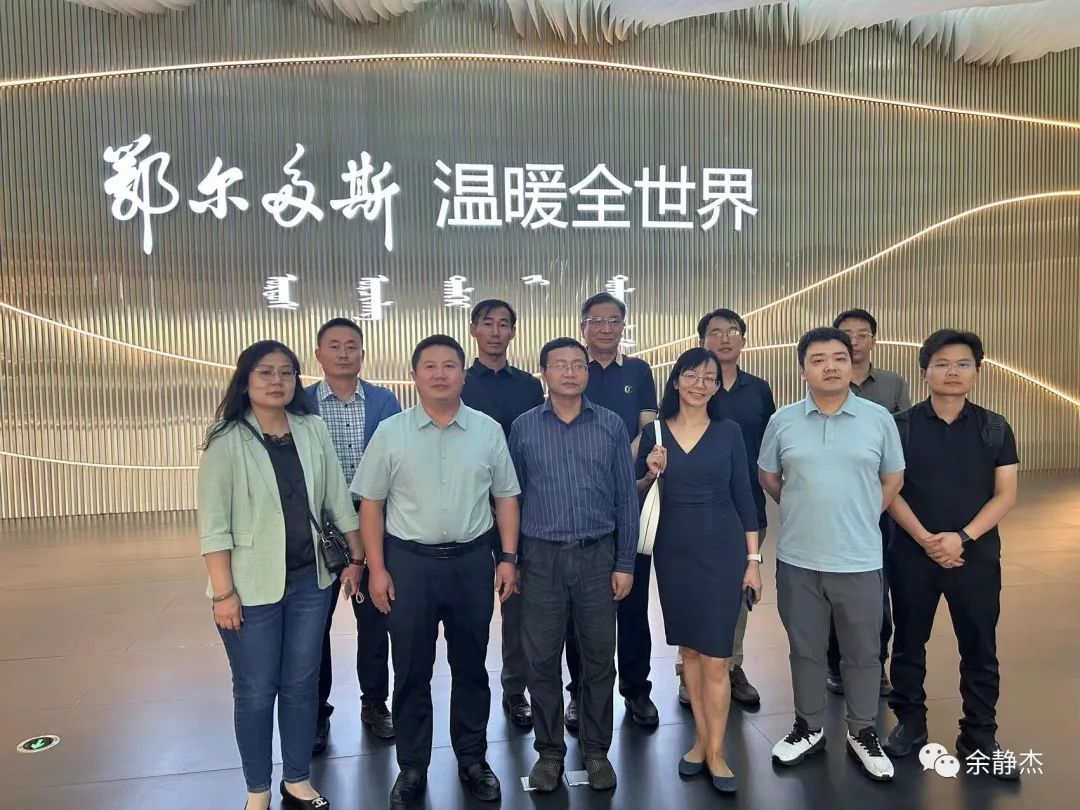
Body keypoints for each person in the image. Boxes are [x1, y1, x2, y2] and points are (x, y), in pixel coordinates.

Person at [352, 335, 521, 810]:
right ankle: (412, 766)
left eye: (450, 365)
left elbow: (507, 497)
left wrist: (508, 558)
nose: (440, 374)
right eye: (430, 366)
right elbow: (371, 504)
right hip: (409, 565)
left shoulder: (487, 430)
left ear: (463, 375)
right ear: (414, 376)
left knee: (471, 667)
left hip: (471, 562)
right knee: (410, 669)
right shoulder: (391, 432)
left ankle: (472, 758)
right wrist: (376, 569)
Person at [198, 340, 365, 810]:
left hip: (311, 582)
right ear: (245, 380)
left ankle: (297, 778)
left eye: (286, 373)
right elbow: (214, 524)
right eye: (265, 372)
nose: (277, 381)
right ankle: (258, 789)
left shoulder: (312, 429)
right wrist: (224, 593)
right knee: (255, 691)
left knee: (301, 684)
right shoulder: (226, 439)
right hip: (249, 589)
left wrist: (356, 557)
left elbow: (336, 498)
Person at [759, 327, 904, 782]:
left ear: (851, 363)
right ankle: (809, 726)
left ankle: (862, 731)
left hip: (859, 558)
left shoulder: (878, 418)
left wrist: (862, 512)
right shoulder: (783, 420)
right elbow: (769, 476)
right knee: (806, 650)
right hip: (798, 559)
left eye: (839, 357)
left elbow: (893, 478)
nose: (831, 366)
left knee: (863, 652)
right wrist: (803, 508)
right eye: (818, 359)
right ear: (803, 370)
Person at [882, 330, 1020, 780]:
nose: (953, 372)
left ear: (977, 372)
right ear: (924, 373)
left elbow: (1005, 493)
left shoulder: (995, 427)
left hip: (975, 556)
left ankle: (979, 734)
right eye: (941, 364)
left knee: (980, 645)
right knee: (908, 642)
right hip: (911, 553)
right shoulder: (899, 426)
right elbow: (890, 489)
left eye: (963, 364)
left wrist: (962, 537)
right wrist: (926, 539)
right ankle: (910, 723)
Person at [509, 337, 638, 793]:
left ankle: (596, 750)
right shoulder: (524, 427)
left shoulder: (611, 425)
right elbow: (511, 499)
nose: (569, 372)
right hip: (540, 557)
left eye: (577, 365)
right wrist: (511, 560)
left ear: (587, 371)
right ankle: (549, 753)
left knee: (599, 658)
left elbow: (626, 498)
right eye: (559, 365)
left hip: (597, 555)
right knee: (541, 660)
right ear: (544, 372)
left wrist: (625, 561)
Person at [636, 348, 762, 794]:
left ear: (715, 386)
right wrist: (650, 473)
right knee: (689, 652)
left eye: (709, 378)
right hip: (673, 553)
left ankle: (717, 753)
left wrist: (753, 561)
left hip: (723, 552)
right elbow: (633, 494)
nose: (700, 384)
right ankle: (699, 742)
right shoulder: (654, 433)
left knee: (717, 658)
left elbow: (745, 497)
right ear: (676, 381)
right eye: (691, 375)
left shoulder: (729, 432)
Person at [564, 291, 658, 731]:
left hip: (631, 499)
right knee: (579, 610)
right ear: (583, 325)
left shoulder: (638, 371)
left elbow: (647, 427)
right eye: (596, 320)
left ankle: (637, 690)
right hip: (580, 505)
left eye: (614, 320)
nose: (606, 328)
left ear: (623, 326)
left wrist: (619, 462)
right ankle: (579, 692)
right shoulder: (572, 367)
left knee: (633, 605)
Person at [306, 318, 401, 750]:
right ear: (319, 354)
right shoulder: (301, 404)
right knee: (313, 626)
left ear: (362, 353)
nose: (343, 353)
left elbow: (397, 462)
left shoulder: (384, 401)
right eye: (334, 345)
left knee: (376, 621)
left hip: (372, 525)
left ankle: (375, 703)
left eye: (351, 346)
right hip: (319, 531)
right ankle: (316, 712)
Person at [675, 308, 776, 709]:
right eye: (715, 332)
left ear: (744, 340)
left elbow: (771, 447)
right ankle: (689, 668)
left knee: (737, 593)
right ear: (702, 341)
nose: (724, 339)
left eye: (733, 332)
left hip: (745, 510)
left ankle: (731, 665)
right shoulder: (692, 387)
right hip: (692, 513)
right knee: (690, 592)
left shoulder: (758, 389)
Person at [460, 299, 544, 730]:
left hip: (519, 508)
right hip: (469, 508)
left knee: (517, 604)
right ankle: (471, 691)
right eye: (488, 323)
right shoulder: (458, 381)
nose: (496, 331)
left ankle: (515, 690)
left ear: (513, 331)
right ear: (474, 329)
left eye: (504, 324)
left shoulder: (529, 386)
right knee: (471, 607)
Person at [826, 308, 912, 697]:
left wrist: (879, 502)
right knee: (833, 588)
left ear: (873, 340)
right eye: (847, 334)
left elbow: (903, 444)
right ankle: (836, 664)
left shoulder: (893, 384)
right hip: (837, 504)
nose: (855, 341)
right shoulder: (827, 382)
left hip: (883, 502)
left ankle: (876, 664)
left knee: (879, 589)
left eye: (863, 334)